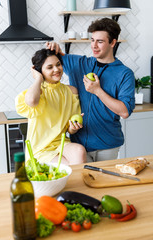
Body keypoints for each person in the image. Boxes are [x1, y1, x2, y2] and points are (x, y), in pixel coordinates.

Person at [46, 17, 135, 162]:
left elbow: (124, 111)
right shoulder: (80, 63)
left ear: (113, 43)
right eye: (92, 40)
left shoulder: (125, 74)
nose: (94, 45)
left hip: (108, 145)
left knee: (103, 183)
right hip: (78, 145)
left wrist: (97, 90)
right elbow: (53, 60)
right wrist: (54, 48)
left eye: (100, 41)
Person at [15, 48, 86, 165]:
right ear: (40, 71)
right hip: (40, 148)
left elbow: (70, 129)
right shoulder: (38, 92)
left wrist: (74, 127)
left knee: (79, 151)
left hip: (61, 143)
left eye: (58, 64)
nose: (56, 69)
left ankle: (77, 182)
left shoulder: (71, 91)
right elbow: (32, 101)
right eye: (49, 67)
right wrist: (38, 78)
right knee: (67, 167)